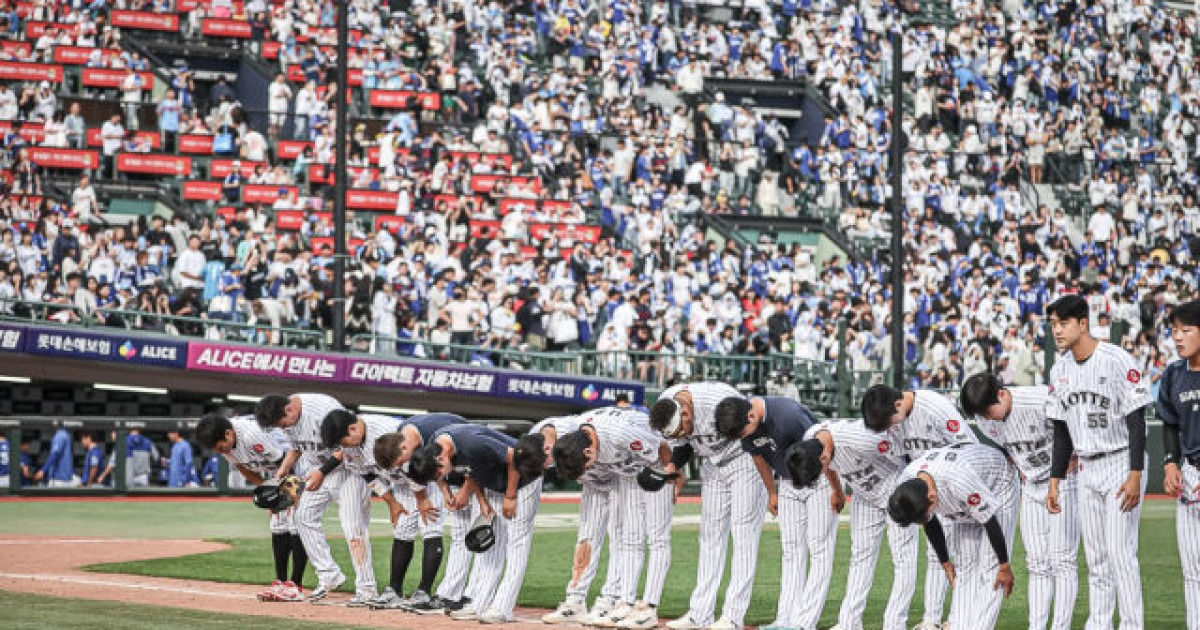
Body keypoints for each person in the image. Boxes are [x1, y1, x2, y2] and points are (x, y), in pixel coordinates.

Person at [1045, 294, 1151, 630]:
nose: (1057, 331)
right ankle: (1100, 623)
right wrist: (1055, 479)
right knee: (1097, 558)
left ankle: (1132, 625)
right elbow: (1061, 432)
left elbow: (1137, 420)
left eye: (1063, 323)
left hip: (1121, 459)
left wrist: (1135, 473)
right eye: (1053, 324)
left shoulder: (1117, 359)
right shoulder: (1059, 368)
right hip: (1087, 467)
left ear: (1082, 323)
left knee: (1121, 554)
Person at [529, 408, 673, 629]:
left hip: (657, 463)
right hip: (628, 474)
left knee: (657, 537)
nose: (586, 470)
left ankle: (649, 609)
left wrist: (671, 474)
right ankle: (624, 603)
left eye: (586, 466)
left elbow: (662, 447)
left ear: (588, 452)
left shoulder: (619, 433)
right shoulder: (577, 440)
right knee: (630, 539)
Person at [960, 373, 1081, 630]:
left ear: (1002, 393)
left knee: (1062, 561)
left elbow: (1074, 423)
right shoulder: (985, 420)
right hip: (1032, 486)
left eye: (987, 409)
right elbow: (1005, 447)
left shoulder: (1040, 399)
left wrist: (1074, 457)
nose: (985, 417)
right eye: (979, 413)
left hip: (1065, 480)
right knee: (1036, 563)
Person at [713, 396, 837, 630]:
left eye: (743, 432)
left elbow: (824, 450)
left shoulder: (788, 417)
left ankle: (805, 623)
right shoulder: (745, 423)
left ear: (751, 416)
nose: (743, 437)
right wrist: (772, 492)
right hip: (788, 482)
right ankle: (785, 620)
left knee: (819, 549)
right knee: (790, 550)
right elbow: (759, 458)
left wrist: (837, 490)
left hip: (819, 479)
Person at [860, 384, 978, 629]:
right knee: (937, 553)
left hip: (955, 485)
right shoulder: (894, 417)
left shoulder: (936, 408)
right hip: (927, 488)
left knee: (964, 555)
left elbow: (970, 447)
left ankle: (959, 619)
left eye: (889, 422)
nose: (890, 429)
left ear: (898, 404)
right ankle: (933, 620)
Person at [648, 381, 761, 630]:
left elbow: (755, 428)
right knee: (709, 537)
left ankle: (733, 616)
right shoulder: (667, 405)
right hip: (712, 465)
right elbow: (682, 446)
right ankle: (700, 613)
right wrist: (671, 468)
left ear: (686, 413)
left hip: (743, 460)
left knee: (743, 535)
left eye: (682, 429)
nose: (681, 435)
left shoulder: (719, 399)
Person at [786, 419, 917, 630]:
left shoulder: (861, 437)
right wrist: (837, 491)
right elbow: (827, 466)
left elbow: (905, 448)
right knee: (860, 557)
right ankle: (849, 623)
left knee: (903, 558)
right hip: (864, 494)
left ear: (823, 456)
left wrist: (912, 490)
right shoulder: (812, 438)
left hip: (896, 488)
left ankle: (895, 624)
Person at [256, 393, 377, 605]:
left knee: (353, 528)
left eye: (281, 423)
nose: (281, 428)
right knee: (303, 517)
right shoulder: (288, 421)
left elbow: (345, 447)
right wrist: (281, 471)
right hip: (318, 470)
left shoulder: (322, 409)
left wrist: (322, 471)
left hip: (350, 470)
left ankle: (367, 589)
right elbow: (296, 448)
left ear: (289, 410)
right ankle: (329, 574)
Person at [887, 444, 1020, 630]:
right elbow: (930, 521)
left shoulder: (957, 479)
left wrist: (1004, 564)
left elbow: (989, 519)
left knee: (991, 569)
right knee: (964, 566)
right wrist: (944, 561)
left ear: (932, 498)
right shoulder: (908, 483)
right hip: (960, 492)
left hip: (998, 482)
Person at [406, 423, 530, 622]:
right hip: (496, 480)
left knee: (516, 543)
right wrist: (482, 502)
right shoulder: (435, 447)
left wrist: (510, 495)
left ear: (441, 458)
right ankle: (479, 603)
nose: (441, 478)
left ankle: (503, 608)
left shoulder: (471, 443)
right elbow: (475, 470)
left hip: (524, 476)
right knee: (492, 549)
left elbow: (517, 456)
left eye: (438, 474)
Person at [196, 412, 308, 602]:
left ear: (228, 434)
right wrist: (266, 488)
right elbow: (242, 466)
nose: (219, 451)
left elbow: (286, 461)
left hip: (298, 463)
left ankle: (295, 585)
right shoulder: (226, 446)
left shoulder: (252, 434)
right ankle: (280, 582)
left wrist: (289, 490)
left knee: (296, 523)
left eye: (219, 446)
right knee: (278, 525)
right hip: (277, 470)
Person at [370, 413, 469, 612]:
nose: (397, 466)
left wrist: (435, 495)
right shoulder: (400, 439)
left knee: (431, 527)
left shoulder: (431, 436)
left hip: (439, 473)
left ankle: (424, 591)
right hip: (415, 477)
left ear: (404, 449)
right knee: (403, 529)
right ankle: (394, 591)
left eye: (398, 462)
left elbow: (442, 465)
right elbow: (407, 470)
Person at [1157, 299, 1200, 630]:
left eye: (1186, 330)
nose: (1179, 338)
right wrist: (1171, 463)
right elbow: (1169, 422)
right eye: (1175, 331)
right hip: (1192, 473)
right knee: (1193, 569)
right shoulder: (1174, 373)